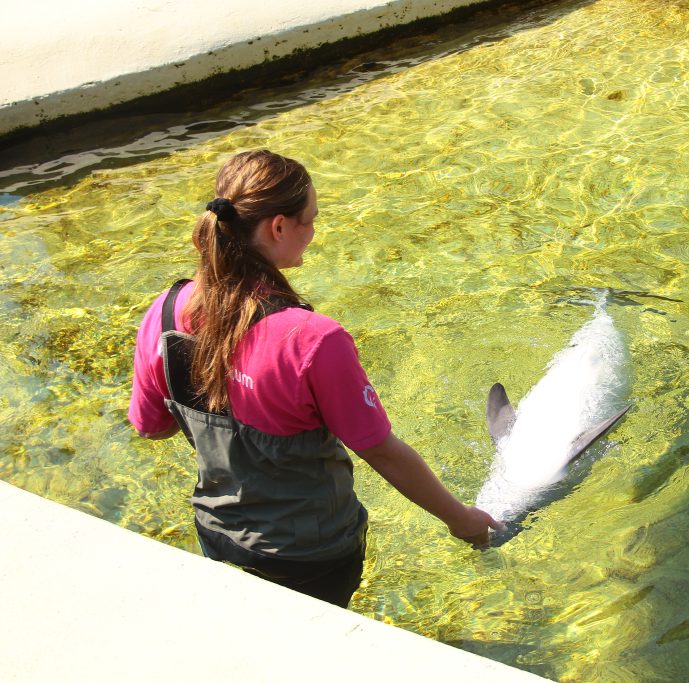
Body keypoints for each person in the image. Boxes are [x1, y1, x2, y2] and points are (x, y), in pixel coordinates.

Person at [128, 149, 501, 608]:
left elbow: (152, 427)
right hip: (311, 556)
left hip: (219, 534)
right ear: (278, 226)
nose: (314, 232)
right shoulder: (313, 340)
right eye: (311, 219)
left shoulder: (166, 311)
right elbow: (381, 451)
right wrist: (461, 519)